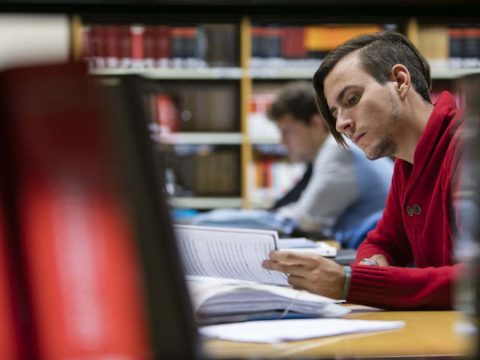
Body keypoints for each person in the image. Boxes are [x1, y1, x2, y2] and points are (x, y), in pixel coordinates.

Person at [262, 31, 463, 309]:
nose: (342, 124)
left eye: (352, 99)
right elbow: (382, 242)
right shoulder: (407, 164)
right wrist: (371, 263)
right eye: (335, 114)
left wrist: (351, 282)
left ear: (400, 81)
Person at [266, 81, 393, 247]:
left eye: (288, 131)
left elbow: (305, 220)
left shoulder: (339, 151)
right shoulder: (330, 151)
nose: (282, 142)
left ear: (316, 124)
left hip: (372, 253)